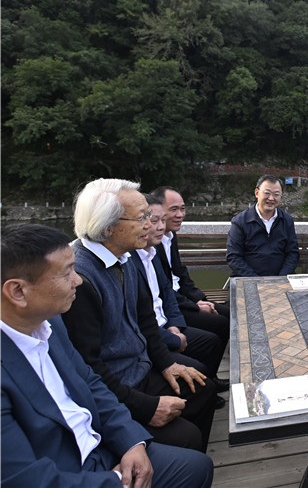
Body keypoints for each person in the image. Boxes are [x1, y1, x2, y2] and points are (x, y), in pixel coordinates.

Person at [1, 224, 214, 488]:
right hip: (69, 470)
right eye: (67, 272)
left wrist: (131, 441)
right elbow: (22, 479)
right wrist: (116, 481)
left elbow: (90, 382)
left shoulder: (50, 324)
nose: (77, 280)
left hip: (102, 444)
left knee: (197, 467)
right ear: (18, 292)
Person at [61, 178, 218, 453]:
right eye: (142, 217)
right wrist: (146, 408)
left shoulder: (126, 256)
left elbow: (146, 320)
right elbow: (88, 366)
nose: (151, 224)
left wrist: (168, 363)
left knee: (202, 388)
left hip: (141, 368)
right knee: (187, 437)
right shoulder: (80, 280)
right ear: (108, 226)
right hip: (117, 389)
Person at [130, 194, 226, 408]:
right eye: (153, 221)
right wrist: (175, 334)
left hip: (168, 320)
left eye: (161, 221)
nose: (159, 227)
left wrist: (175, 324)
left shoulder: (153, 252)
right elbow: (141, 318)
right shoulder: (130, 261)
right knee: (220, 325)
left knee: (217, 333)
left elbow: (168, 287)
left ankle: (209, 386)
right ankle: (205, 392)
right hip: (153, 338)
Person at [151, 186, 230, 363]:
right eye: (173, 210)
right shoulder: (151, 244)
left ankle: (209, 371)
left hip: (181, 299)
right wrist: (194, 306)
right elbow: (164, 289)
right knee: (222, 323)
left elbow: (180, 274)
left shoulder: (170, 236)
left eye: (182, 208)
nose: (180, 215)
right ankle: (207, 374)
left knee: (229, 313)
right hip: (170, 306)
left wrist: (198, 299)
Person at [226, 174, 299, 277]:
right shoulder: (240, 221)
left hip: (280, 280)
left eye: (276, 194)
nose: (271, 198)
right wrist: (257, 281)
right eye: (267, 193)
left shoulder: (287, 220)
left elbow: (292, 253)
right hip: (248, 280)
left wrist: (281, 278)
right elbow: (233, 257)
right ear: (257, 193)